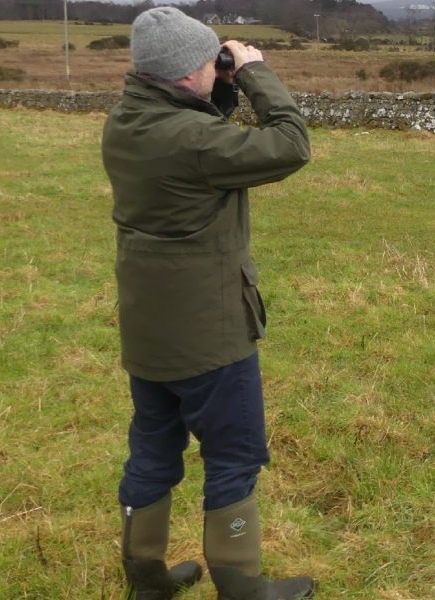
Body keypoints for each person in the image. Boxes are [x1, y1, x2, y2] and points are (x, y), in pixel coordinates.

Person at [101, 7, 313, 600]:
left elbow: (195, 134)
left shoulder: (125, 121)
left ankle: (146, 578)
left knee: (152, 450)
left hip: (149, 332)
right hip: (209, 333)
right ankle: (242, 585)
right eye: (205, 63)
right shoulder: (193, 141)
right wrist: (254, 74)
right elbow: (291, 145)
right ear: (182, 74)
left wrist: (211, 85)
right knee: (234, 455)